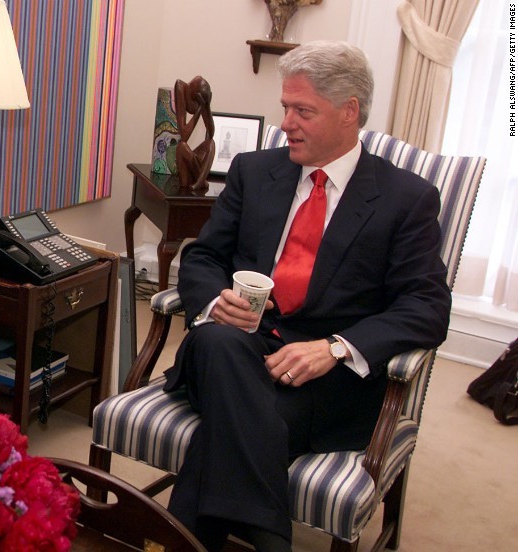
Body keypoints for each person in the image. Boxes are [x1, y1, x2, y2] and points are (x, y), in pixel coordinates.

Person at [163, 41, 451, 551]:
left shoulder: (406, 200)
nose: (286, 123)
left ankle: (180, 538)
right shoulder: (254, 172)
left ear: (349, 113)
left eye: (303, 111)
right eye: (285, 107)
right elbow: (205, 258)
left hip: (324, 379)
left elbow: (426, 307)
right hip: (241, 344)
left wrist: (334, 348)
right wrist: (214, 303)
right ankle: (272, 538)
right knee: (216, 343)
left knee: (237, 427)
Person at [174, 75, 216, 192]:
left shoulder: (201, 101)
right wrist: (199, 110)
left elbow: (211, 133)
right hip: (182, 167)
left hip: (193, 169)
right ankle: (201, 180)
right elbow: (184, 136)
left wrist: (206, 107)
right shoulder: (181, 88)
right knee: (182, 146)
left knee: (211, 143)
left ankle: (199, 182)